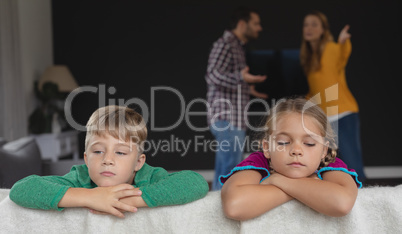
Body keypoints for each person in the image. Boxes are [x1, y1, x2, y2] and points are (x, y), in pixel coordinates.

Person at [10, 105, 209, 218]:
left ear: (138, 163)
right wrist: (90, 197)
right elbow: (22, 189)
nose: (107, 160)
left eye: (121, 153)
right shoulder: (80, 177)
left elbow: (196, 182)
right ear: (86, 159)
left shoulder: (148, 176)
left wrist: (128, 200)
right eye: (98, 151)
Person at [220, 97, 362, 221]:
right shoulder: (259, 161)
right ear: (267, 148)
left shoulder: (328, 162)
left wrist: (278, 180)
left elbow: (342, 204)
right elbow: (234, 206)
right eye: (283, 142)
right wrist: (308, 189)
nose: (296, 151)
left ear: (324, 151)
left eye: (309, 143)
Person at [205, 6, 268, 191]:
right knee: (228, 173)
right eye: (256, 23)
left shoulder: (237, 46)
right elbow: (212, 75)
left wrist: (248, 88)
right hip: (227, 119)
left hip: (234, 120)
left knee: (229, 171)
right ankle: (220, 214)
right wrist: (242, 78)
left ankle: (221, 211)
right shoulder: (226, 43)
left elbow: (227, 77)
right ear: (242, 24)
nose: (259, 28)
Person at [300, 10, 366, 182]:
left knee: (352, 165)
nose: (309, 28)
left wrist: (343, 42)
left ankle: (364, 203)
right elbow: (316, 90)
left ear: (323, 30)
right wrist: (304, 104)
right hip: (324, 120)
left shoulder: (330, 48)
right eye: (306, 24)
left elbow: (342, 54)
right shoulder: (308, 58)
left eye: (314, 24)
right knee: (331, 167)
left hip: (343, 114)